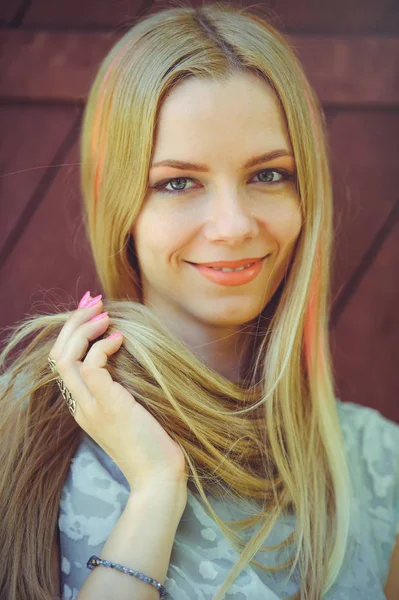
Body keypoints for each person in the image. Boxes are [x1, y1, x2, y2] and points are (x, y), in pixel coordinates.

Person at [0, 3, 398, 600]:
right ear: (122, 208)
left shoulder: (378, 461)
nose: (233, 225)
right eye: (178, 183)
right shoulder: (26, 429)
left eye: (268, 175)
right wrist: (157, 488)